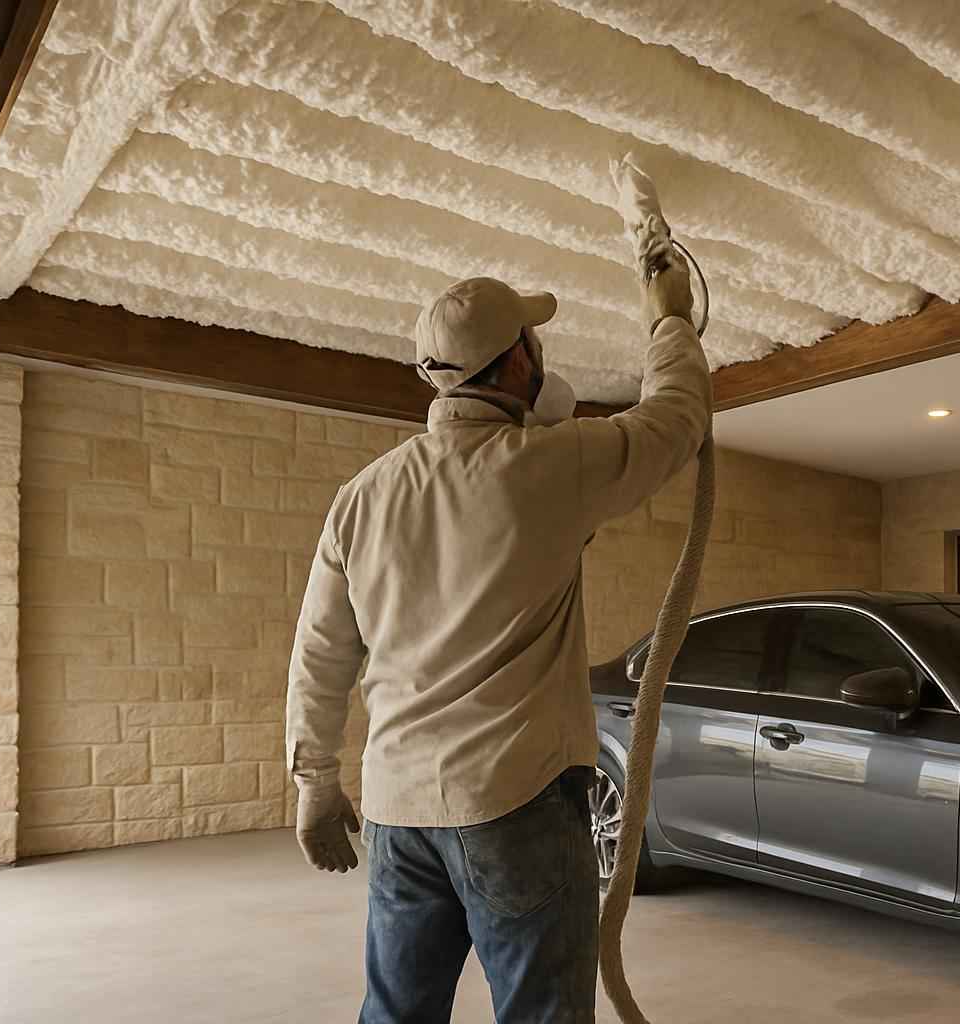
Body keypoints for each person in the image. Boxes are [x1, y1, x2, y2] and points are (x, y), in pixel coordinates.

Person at [283, 254, 708, 1023]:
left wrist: (315, 778)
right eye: (534, 342)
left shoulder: (362, 496)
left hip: (397, 808)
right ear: (517, 359)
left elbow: (322, 648)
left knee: (397, 1013)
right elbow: (676, 421)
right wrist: (669, 320)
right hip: (517, 802)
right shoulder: (549, 464)